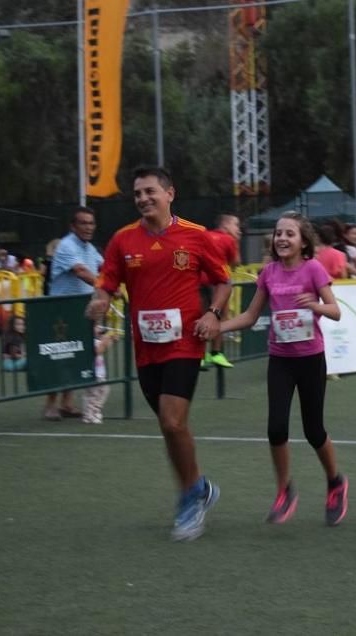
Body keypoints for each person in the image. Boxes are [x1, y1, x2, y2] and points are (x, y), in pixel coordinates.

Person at [86, 165, 232, 541]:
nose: (143, 199)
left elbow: (223, 282)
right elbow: (108, 283)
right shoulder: (122, 240)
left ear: (170, 194)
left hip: (185, 340)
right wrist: (100, 301)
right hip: (145, 345)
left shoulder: (197, 237)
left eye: (150, 191)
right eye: (137, 194)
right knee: (171, 428)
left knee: (171, 421)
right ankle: (197, 486)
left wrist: (213, 315)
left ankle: (189, 501)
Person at [216, 211, 348, 525]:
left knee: (314, 430)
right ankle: (284, 490)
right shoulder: (269, 273)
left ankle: (335, 482)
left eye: (289, 233)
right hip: (281, 360)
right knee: (276, 427)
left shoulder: (313, 269)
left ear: (304, 241)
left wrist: (314, 305)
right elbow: (249, 316)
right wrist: (216, 327)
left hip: (310, 358)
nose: (282, 239)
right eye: (278, 233)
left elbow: (336, 311)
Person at [44, 207, 104, 421]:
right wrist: (106, 285)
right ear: (73, 226)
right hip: (61, 311)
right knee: (59, 356)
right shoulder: (67, 246)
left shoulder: (89, 248)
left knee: (75, 356)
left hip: (82, 310)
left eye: (91, 223)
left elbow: (104, 267)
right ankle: (50, 405)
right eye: (84, 223)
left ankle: (67, 404)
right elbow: (81, 272)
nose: (88, 227)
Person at [201, 214, 242, 369]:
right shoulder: (229, 239)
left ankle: (200, 356)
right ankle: (216, 353)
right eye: (236, 225)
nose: (239, 230)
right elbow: (236, 263)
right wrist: (236, 242)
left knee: (200, 317)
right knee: (220, 316)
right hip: (218, 282)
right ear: (225, 226)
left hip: (198, 281)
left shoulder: (204, 235)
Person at [81, 326, 119, 424]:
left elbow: (105, 346)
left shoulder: (97, 340)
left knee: (103, 390)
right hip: (92, 373)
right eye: (95, 328)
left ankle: (95, 411)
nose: (99, 329)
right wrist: (106, 338)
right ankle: (89, 415)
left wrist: (112, 339)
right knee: (92, 394)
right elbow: (98, 350)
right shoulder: (88, 341)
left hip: (100, 373)